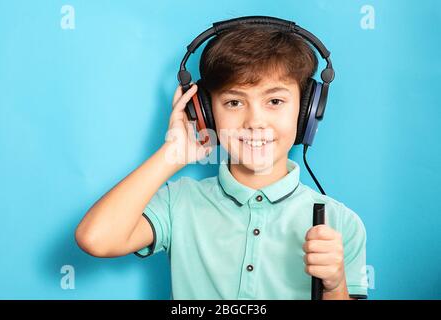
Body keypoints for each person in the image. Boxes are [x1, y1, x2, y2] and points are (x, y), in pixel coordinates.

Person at [75, 22, 368, 300]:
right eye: (234, 102)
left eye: (275, 101)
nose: (255, 121)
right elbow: (96, 238)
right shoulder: (179, 202)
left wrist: (335, 284)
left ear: (306, 111)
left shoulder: (340, 223)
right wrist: (174, 153)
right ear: (206, 113)